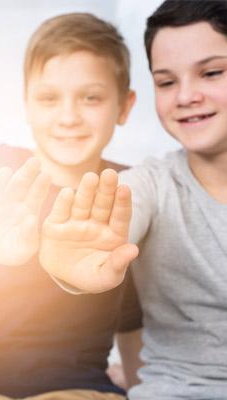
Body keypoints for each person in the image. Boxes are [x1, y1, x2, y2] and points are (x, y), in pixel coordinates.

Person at [0, 13, 141, 399]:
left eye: (91, 98)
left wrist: (139, 387)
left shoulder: (130, 191)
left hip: (80, 387)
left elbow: (131, 316)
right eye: (49, 98)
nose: (68, 117)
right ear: (26, 104)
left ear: (124, 106)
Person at [116, 1, 227, 398]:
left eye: (211, 73)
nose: (185, 96)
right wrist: (84, 249)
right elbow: (115, 219)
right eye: (165, 82)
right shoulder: (149, 185)